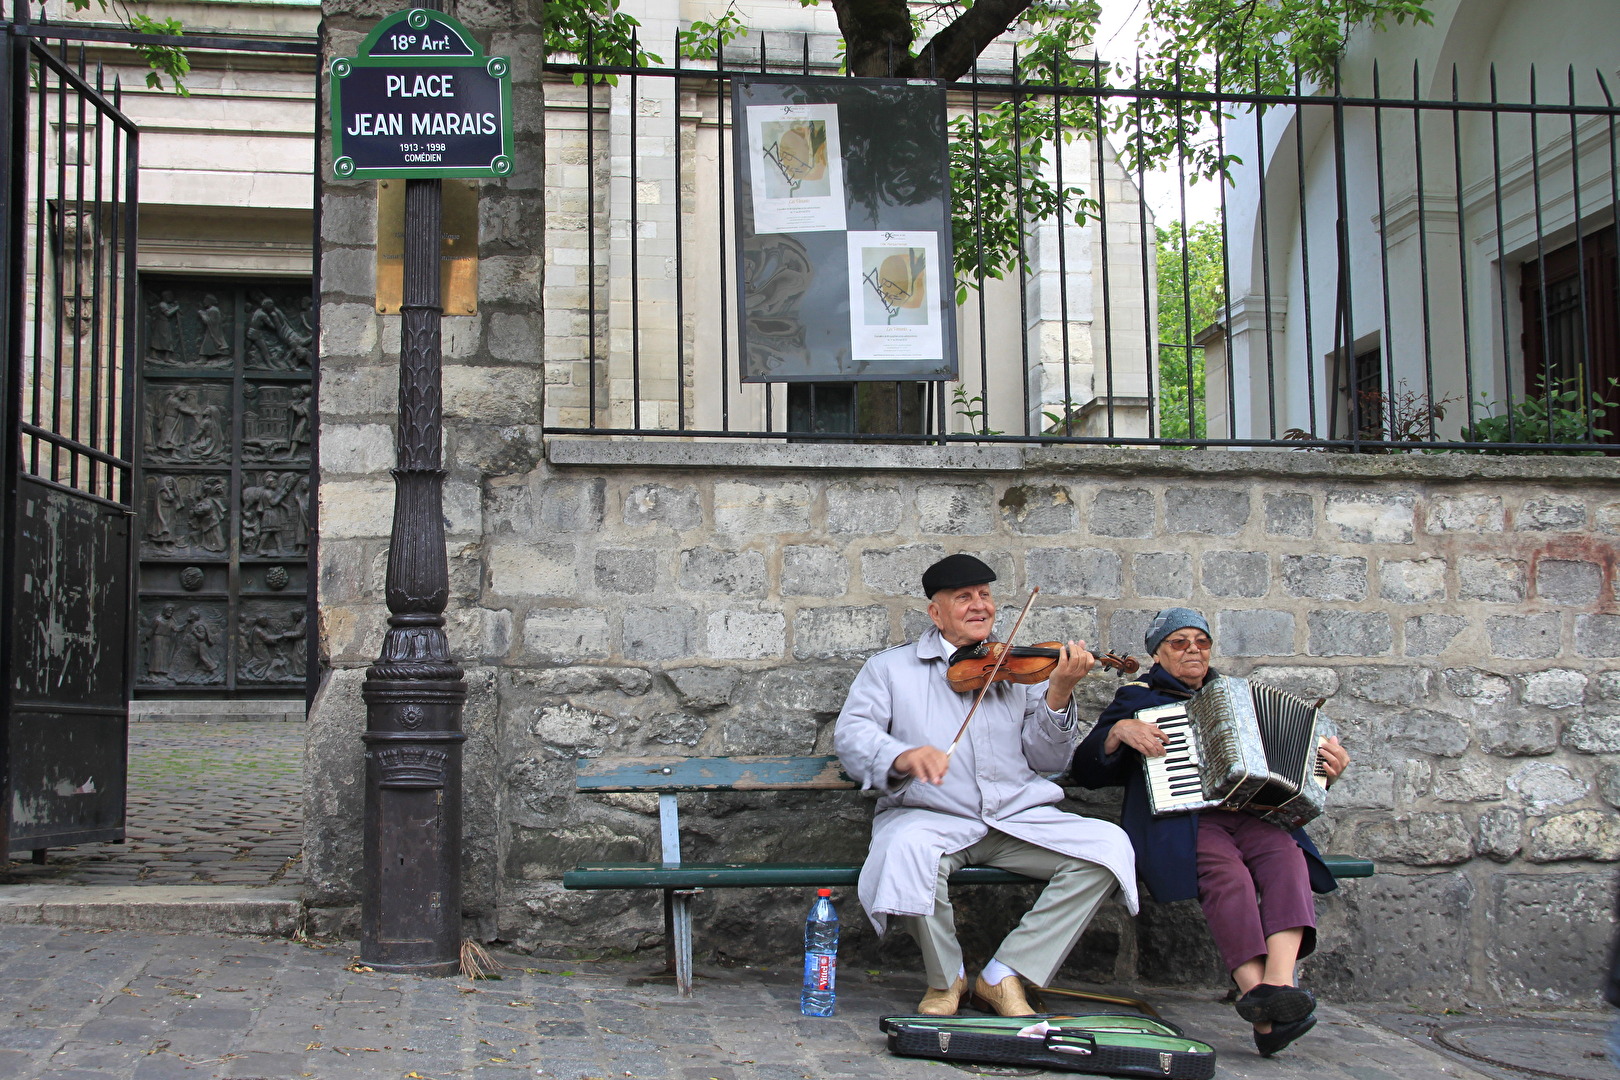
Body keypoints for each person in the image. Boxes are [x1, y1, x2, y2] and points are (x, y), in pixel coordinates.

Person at [835, 554, 1137, 1018]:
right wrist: (900, 755)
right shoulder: (890, 669)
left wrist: (1058, 693)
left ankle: (1004, 975)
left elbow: (1049, 760)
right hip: (932, 814)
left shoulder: (1020, 668)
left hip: (1016, 817)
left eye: (985, 595)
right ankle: (946, 979)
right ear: (935, 613)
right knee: (905, 851)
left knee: (1108, 848)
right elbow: (853, 735)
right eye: (964, 597)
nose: (980, 606)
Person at [1069, 607, 1350, 1058]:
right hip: (1185, 822)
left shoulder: (1238, 697)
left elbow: (1292, 771)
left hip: (1251, 813)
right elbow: (1087, 771)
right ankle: (1260, 1004)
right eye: (1179, 642)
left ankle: (1279, 986)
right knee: (1226, 875)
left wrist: (1326, 772)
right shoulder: (1136, 699)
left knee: (1287, 857)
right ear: (1157, 653)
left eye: (1201, 642)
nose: (1193, 650)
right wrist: (1118, 731)